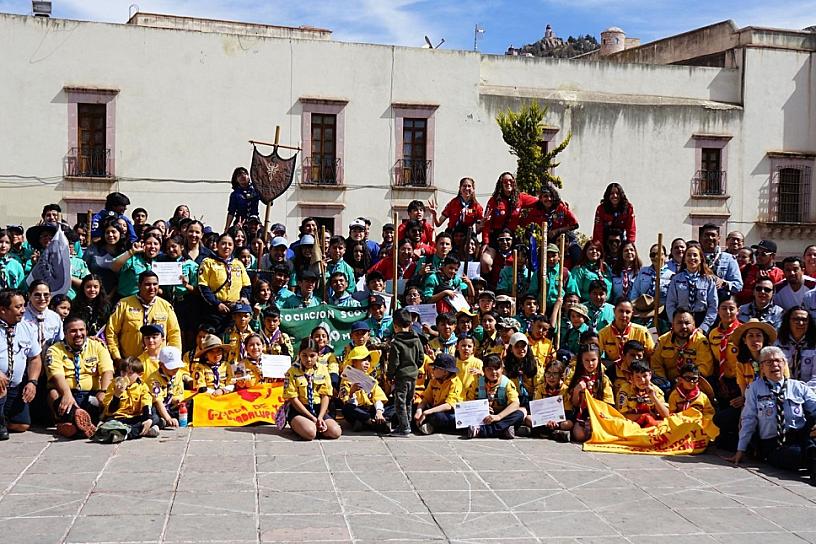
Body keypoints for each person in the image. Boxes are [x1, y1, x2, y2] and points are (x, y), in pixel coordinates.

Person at [731, 346, 816, 484]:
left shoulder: (798, 387)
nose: (774, 365)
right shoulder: (754, 389)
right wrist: (741, 449)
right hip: (774, 444)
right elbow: (748, 419)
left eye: (778, 361)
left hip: (799, 437)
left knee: (809, 450)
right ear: (762, 367)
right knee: (800, 456)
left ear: (784, 364)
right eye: (768, 362)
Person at [46, 316, 113, 438]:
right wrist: (67, 394)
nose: (78, 334)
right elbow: (57, 376)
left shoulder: (97, 346)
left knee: (107, 400)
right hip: (68, 394)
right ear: (65, 333)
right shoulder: (55, 350)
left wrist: (104, 392)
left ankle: (73, 426)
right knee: (53, 394)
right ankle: (79, 420)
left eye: (82, 330)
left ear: (86, 331)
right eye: (73, 331)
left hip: (91, 394)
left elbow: (107, 371)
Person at [105, 271, 181, 361]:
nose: (152, 288)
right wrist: (117, 358)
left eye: (155, 284)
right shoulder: (124, 304)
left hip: (158, 363)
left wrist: (173, 359)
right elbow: (111, 332)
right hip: (130, 364)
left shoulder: (166, 306)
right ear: (139, 286)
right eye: (147, 284)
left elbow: (174, 335)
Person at [0, 289, 43, 440]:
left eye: (23, 306)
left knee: (22, 425)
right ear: (3, 310)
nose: (23, 310)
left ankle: (3, 420)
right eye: (18, 307)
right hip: (0, 384)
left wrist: (32, 382)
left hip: (15, 386)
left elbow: (35, 358)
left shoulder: (27, 327)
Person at [283, 337, 342, 441]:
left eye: (312, 356)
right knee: (310, 433)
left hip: (318, 409)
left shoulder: (323, 369)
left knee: (336, 432)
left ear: (318, 355)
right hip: (300, 410)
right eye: (304, 355)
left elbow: (325, 395)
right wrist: (312, 418)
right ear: (299, 354)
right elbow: (293, 399)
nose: (308, 359)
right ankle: (299, 426)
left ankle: (315, 426)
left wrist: (320, 417)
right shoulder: (292, 371)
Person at [650, 308, 714, 396]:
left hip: (692, 383)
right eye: (679, 323)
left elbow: (705, 369)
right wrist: (664, 382)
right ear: (673, 324)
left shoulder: (701, 341)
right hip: (668, 384)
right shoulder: (663, 340)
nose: (683, 327)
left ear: (694, 324)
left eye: (687, 323)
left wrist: (684, 381)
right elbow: (655, 365)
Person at [480, 172, 537, 270]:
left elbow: (539, 202)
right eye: (505, 181)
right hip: (496, 236)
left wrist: (558, 202)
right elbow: (487, 223)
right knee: (485, 262)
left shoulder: (520, 197)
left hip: (512, 236)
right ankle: (487, 284)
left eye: (511, 181)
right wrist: (486, 241)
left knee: (524, 261)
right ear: (501, 184)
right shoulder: (493, 201)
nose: (508, 183)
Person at [197, 233, 252, 331]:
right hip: (215, 310)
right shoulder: (208, 262)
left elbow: (246, 285)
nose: (227, 247)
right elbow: (203, 287)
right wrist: (217, 304)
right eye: (223, 244)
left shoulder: (238, 264)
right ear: (217, 245)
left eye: (230, 244)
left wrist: (244, 297)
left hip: (235, 309)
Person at [463, 354, 524, 439]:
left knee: (520, 414)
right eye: (489, 369)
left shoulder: (507, 383)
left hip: (501, 416)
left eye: (496, 369)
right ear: (484, 370)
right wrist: (482, 409)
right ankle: (503, 430)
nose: (494, 372)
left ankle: (481, 431)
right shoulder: (476, 382)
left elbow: (515, 403)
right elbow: (469, 402)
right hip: (482, 417)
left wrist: (498, 416)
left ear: (502, 369)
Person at [101, 357, 159, 440]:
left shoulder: (142, 386)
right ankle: (140, 432)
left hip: (135, 416)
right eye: (123, 372)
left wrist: (148, 419)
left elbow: (146, 402)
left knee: (154, 417)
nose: (125, 376)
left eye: (130, 373)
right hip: (119, 418)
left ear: (140, 374)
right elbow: (109, 410)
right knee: (109, 423)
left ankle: (125, 434)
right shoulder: (113, 385)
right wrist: (117, 395)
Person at [522, 182, 581, 264]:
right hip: (548, 241)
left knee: (577, 256)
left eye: (551, 196)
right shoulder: (536, 210)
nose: (549, 199)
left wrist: (557, 231)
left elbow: (575, 225)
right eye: (545, 196)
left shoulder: (560, 207)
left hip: (566, 239)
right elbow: (525, 224)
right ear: (541, 198)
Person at [387, 308, 424, 436]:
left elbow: (394, 363)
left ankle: (403, 427)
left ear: (395, 326)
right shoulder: (416, 339)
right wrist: (414, 368)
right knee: (408, 401)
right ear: (410, 324)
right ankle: (407, 424)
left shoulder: (396, 343)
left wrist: (390, 375)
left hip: (401, 376)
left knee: (400, 402)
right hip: (413, 376)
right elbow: (421, 358)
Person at [665, 244, 718, 333]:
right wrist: (675, 322)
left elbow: (713, 305)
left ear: (701, 259)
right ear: (684, 259)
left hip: (701, 320)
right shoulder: (676, 279)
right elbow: (670, 303)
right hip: (681, 320)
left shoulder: (708, 280)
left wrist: (704, 327)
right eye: (688, 255)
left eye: (695, 255)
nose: (692, 258)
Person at [598, 298, 655, 377]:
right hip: (614, 373)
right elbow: (596, 356)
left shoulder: (642, 331)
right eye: (621, 311)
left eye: (627, 312)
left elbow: (652, 354)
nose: (624, 315)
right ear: (614, 311)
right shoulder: (603, 333)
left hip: (638, 373)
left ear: (632, 313)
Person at [339, 346, 389, 433]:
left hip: (371, 409)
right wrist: (352, 393)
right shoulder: (346, 379)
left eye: (369, 361)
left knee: (394, 407)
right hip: (357, 409)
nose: (367, 363)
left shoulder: (371, 380)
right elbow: (346, 401)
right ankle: (372, 423)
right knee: (347, 409)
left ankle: (367, 422)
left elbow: (378, 397)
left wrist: (379, 412)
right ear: (354, 362)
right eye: (363, 360)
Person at [523, 356, 573, 441]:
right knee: (528, 418)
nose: (551, 377)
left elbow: (567, 412)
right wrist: (544, 420)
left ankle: (545, 432)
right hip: (542, 420)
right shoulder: (540, 388)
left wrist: (556, 422)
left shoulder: (565, 390)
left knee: (568, 424)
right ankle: (553, 433)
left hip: (559, 421)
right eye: (548, 373)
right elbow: (536, 409)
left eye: (555, 374)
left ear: (561, 375)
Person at [414, 353, 462, 435]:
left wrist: (427, 412)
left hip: (450, 413)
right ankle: (425, 425)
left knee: (438, 417)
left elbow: (449, 405)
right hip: (434, 409)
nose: (432, 370)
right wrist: (419, 410)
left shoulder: (455, 383)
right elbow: (426, 399)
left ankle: (430, 426)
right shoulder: (433, 381)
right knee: (412, 409)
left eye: (435, 368)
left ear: (445, 372)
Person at [617, 360, 670, 428]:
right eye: (638, 377)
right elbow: (622, 415)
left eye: (645, 376)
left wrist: (653, 396)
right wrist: (644, 416)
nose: (642, 380)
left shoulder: (656, 390)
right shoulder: (625, 391)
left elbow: (666, 415)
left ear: (650, 375)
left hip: (652, 425)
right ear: (632, 377)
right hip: (632, 425)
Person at [697, 223, 743, 302]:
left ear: (719, 238)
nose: (710, 238)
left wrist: (724, 283)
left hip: (720, 306)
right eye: (706, 235)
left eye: (713, 235)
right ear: (700, 238)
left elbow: (738, 286)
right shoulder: (694, 257)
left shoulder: (729, 259)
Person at [110, 232, 162, 299]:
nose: (152, 246)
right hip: (126, 300)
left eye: (156, 244)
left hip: (148, 301)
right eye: (149, 243)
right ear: (143, 244)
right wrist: (132, 251)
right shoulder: (133, 258)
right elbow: (114, 267)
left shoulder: (159, 262)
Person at [668, 362, 715, 434]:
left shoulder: (703, 397)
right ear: (680, 379)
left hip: (698, 427)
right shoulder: (674, 395)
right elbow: (671, 414)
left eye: (694, 378)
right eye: (688, 378)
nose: (691, 381)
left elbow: (709, 413)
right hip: (679, 426)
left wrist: (703, 424)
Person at [146, 346, 187, 429]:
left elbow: (176, 393)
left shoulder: (178, 375)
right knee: (152, 416)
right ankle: (161, 422)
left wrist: (176, 400)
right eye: (172, 367)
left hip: (170, 406)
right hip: (157, 407)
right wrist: (168, 418)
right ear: (161, 365)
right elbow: (158, 401)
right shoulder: (154, 379)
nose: (175, 369)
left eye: (177, 366)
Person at [775, 306, 816, 387]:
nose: (800, 323)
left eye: (804, 320)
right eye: (796, 319)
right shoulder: (777, 343)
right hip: (783, 389)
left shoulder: (814, 344)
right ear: (788, 321)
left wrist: (803, 391)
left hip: (810, 391)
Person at [736, 240, 784, 305]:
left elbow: (779, 296)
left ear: (772, 256)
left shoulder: (779, 274)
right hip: (745, 309)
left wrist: (766, 282)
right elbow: (736, 290)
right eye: (757, 253)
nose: (758, 256)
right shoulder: (746, 269)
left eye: (763, 254)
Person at [23, 281, 64, 350]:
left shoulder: (55, 317)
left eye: (46, 295)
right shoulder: (21, 316)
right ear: (29, 296)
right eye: (37, 295)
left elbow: (59, 342)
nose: (42, 298)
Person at [224, 166, 260, 231]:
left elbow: (267, 200)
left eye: (245, 174)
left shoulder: (256, 190)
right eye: (239, 175)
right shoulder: (235, 194)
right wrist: (227, 228)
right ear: (236, 180)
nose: (243, 176)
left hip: (254, 223)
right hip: (240, 223)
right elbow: (231, 212)